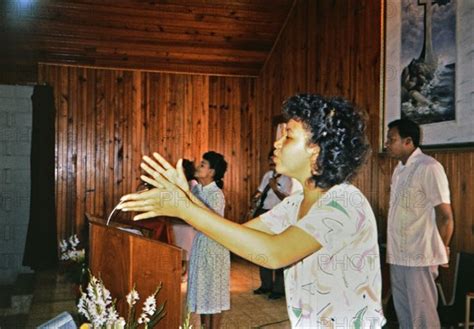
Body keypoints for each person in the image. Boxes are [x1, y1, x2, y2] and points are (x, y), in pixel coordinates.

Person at [119, 94, 386, 328]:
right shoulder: (294, 203)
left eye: (288, 136)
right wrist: (186, 198)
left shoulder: (344, 202)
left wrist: (185, 208)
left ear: (317, 151)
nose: (277, 144)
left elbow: (273, 253)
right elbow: (237, 236)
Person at [385, 119, 454, 329]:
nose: (387, 144)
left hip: (421, 256)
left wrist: (440, 250)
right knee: (405, 315)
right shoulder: (399, 169)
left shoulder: (429, 167)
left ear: (408, 141)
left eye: (391, 139)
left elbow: (446, 216)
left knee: (423, 319)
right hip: (398, 255)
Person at [186, 151, 230, 329]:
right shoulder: (197, 189)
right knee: (202, 294)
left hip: (214, 248)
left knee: (213, 295)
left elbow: (208, 221)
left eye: (203, 164)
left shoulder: (216, 194)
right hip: (200, 244)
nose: (198, 166)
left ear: (211, 172)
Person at [251, 150, 292, 300]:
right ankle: (266, 285)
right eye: (270, 158)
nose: (271, 161)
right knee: (263, 250)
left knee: (278, 251)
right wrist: (255, 198)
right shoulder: (267, 175)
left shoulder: (289, 178)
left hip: (281, 216)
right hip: (264, 214)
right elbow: (260, 191)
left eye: (274, 158)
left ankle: (279, 288)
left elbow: (288, 200)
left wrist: (275, 188)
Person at [171, 159, 198, 275]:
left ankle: (187, 270)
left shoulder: (193, 184)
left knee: (184, 236)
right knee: (172, 230)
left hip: (190, 221)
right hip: (181, 219)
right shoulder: (179, 183)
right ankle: (180, 268)